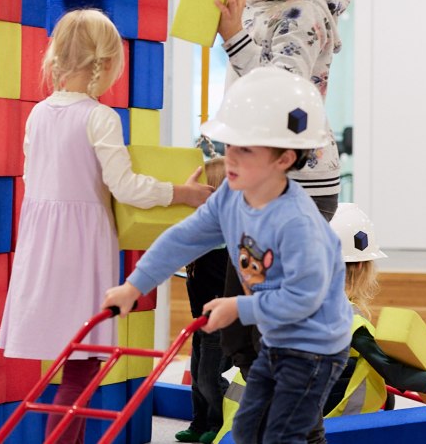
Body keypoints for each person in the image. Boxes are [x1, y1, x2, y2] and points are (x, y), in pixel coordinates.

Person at [0, 8, 213, 444]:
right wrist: (184, 194)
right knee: (82, 363)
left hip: (41, 244)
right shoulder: (99, 117)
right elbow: (126, 186)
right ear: (107, 64)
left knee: (64, 363)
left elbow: (30, 178)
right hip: (79, 249)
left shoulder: (38, 114)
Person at [103, 69, 351, 444]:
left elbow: (304, 299)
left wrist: (238, 308)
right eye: (229, 145)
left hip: (314, 346)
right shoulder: (231, 197)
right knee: (248, 429)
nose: (229, 157)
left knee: (286, 434)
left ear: (284, 158)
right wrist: (135, 284)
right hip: (275, 338)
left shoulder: (299, 224)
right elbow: (184, 238)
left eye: (245, 149)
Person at [321, 204, 426, 417]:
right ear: (361, 266)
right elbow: (392, 373)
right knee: (372, 371)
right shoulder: (347, 318)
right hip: (323, 422)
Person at [176, 155, 235, 444]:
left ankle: (223, 423)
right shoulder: (202, 236)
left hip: (219, 320)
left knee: (209, 376)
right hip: (200, 319)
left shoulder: (224, 236)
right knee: (197, 376)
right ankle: (200, 422)